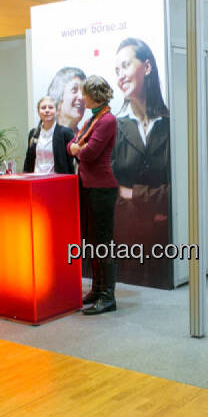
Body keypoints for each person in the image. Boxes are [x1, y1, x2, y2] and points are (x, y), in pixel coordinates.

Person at [110, 37, 172, 289]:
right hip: (127, 238)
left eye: (125, 66)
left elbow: (179, 191)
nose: (120, 76)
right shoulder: (114, 128)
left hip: (166, 238)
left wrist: (134, 194)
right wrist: (151, 197)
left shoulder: (172, 125)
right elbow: (112, 188)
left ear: (147, 67)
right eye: (117, 71)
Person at [67, 76, 119, 316]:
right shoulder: (92, 119)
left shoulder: (107, 120)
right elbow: (72, 145)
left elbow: (90, 153)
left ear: (94, 96)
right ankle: (97, 290)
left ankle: (108, 296)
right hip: (88, 186)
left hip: (101, 188)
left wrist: (78, 149)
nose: (82, 98)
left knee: (103, 243)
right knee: (91, 241)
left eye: (84, 94)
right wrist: (77, 148)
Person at [23, 96, 75, 175]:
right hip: (36, 179)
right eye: (43, 108)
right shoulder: (33, 133)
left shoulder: (65, 133)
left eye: (50, 107)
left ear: (56, 111)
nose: (47, 110)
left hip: (57, 180)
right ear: (38, 111)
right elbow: (28, 160)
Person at [47, 66, 87, 132]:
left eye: (83, 91)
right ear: (59, 96)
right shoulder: (45, 135)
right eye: (74, 89)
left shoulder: (86, 137)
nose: (81, 97)